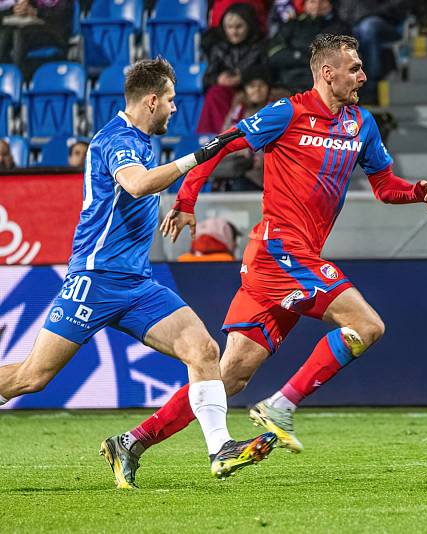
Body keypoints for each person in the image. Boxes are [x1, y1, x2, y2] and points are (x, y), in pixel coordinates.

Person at [105, 34, 427, 488]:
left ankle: (132, 442)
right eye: (355, 68)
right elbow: (219, 145)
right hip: (281, 251)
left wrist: (414, 191)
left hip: (284, 262)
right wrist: (186, 200)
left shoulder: (362, 124)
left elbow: (384, 186)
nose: (363, 75)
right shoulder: (288, 113)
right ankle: (281, 405)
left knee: (229, 378)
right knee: (368, 326)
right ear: (328, 73)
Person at [0, 57, 275, 488]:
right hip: (94, 280)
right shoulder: (117, 140)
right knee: (32, 377)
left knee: (203, 351)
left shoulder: (144, 141)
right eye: (169, 100)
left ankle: (220, 448)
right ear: (151, 100)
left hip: (137, 284)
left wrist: (183, 206)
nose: (173, 108)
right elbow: (137, 184)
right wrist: (194, 158)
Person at [197, 3, 269, 134]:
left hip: (251, 93)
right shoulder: (218, 47)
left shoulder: (260, 46)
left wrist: (242, 78)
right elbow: (206, 79)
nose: (234, 32)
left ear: (249, 25)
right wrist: (219, 79)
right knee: (215, 93)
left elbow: (267, 75)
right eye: (229, 27)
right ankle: (213, 141)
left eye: (239, 27)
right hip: (225, 94)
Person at [337, 0, 413, 104]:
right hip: (355, 24)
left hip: (387, 23)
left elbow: (398, 5)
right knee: (337, 34)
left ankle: (371, 87)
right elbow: (344, 11)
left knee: (368, 27)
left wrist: (367, 14)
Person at [268, 0, 351, 93]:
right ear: (305, 5)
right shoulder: (292, 25)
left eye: (322, 2)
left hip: (326, 85)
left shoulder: (341, 28)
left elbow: (347, 59)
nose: (317, 6)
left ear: (331, 4)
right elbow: (273, 53)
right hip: (290, 84)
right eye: (312, 1)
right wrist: (300, 57)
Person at [0, 0, 73, 80]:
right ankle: (3, 79)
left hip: (55, 33)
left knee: (19, 35)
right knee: (5, 34)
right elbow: (24, 6)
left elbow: (59, 16)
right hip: (32, 30)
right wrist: (18, 9)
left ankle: (16, 80)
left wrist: (36, 12)